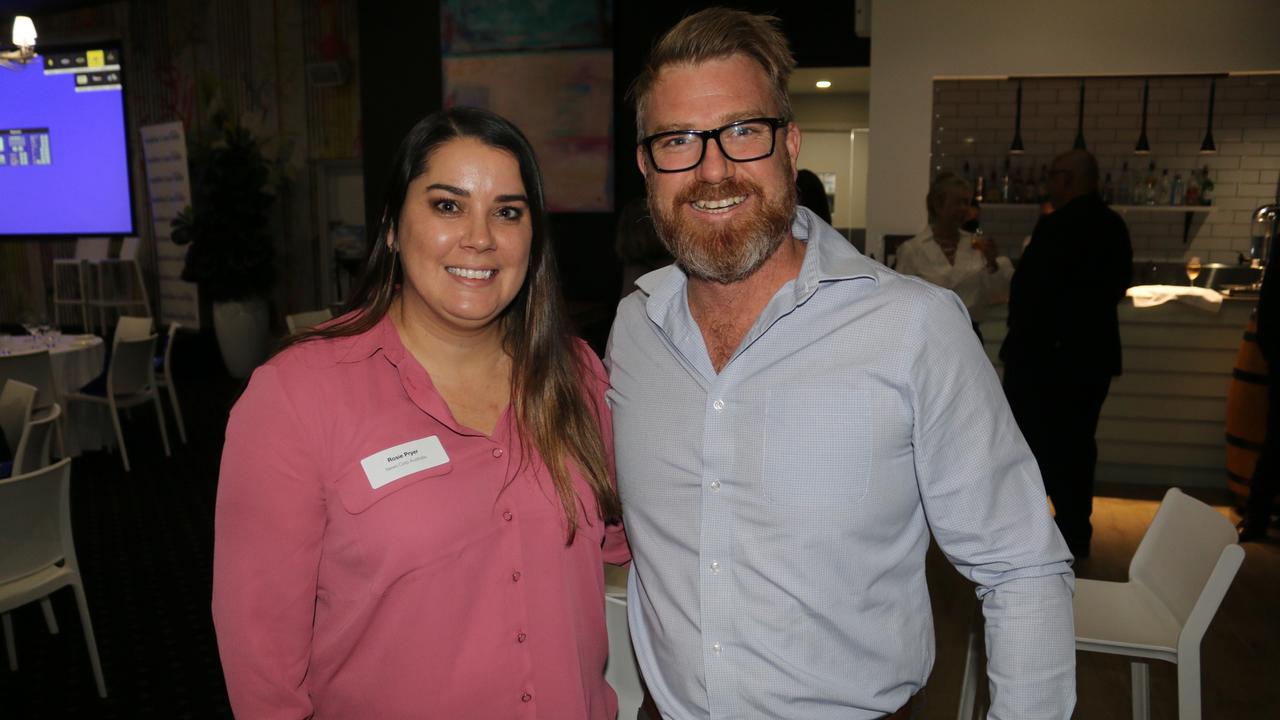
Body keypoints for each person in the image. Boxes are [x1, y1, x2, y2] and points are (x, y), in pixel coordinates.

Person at [607, 8, 1075, 719]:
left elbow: (1022, 565)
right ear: (647, 164)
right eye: (678, 140)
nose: (712, 169)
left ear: (789, 144)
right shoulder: (635, 328)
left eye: (742, 132)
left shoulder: (912, 327)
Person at [212, 106, 628, 719]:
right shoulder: (295, 399)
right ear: (390, 226)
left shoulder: (578, 376)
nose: (480, 237)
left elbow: (626, 547)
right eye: (447, 205)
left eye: (508, 212)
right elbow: (262, 669)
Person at [1000, 149, 1133, 559]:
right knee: (1077, 444)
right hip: (1092, 359)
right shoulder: (1114, 226)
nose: (1048, 184)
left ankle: (1040, 530)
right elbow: (1119, 285)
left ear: (1069, 179)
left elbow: (1029, 296)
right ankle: (1076, 527)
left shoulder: (1057, 227)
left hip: (1048, 362)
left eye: (1052, 175)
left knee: (1037, 445)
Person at [895, 171, 1013, 339]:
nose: (964, 209)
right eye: (958, 203)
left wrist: (992, 262)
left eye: (967, 203)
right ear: (938, 204)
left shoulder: (976, 246)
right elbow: (902, 300)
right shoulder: (913, 249)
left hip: (970, 333)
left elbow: (995, 295)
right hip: (929, 334)